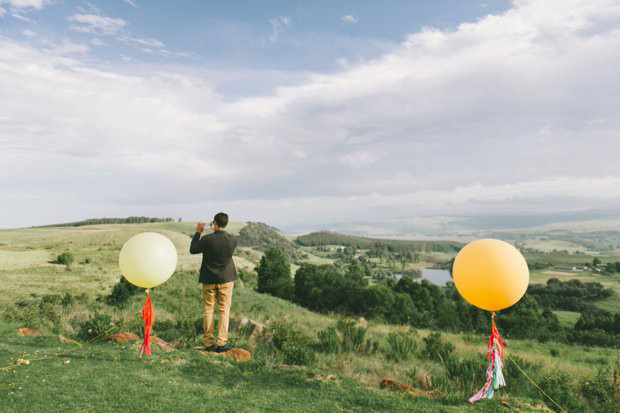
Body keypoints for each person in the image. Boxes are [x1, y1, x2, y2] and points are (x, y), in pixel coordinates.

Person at [190, 212, 238, 352]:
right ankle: (222, 343)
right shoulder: (233, 239)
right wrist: (216, 228)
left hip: (209, 279)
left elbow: (193, 249)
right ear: (226, 224)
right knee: (224, 311)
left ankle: (208, 343)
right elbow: (221, 236)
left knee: (208, 310)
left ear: (214, 223)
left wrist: (198, 232)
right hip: (226, 279)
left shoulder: (206, 239)